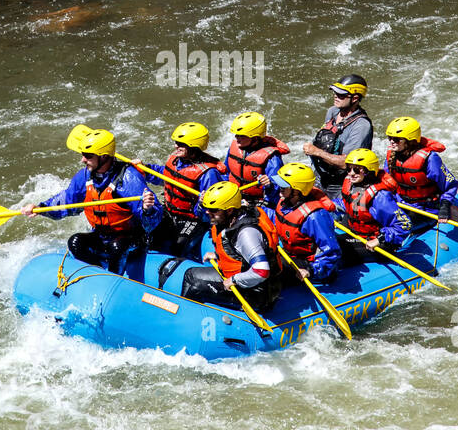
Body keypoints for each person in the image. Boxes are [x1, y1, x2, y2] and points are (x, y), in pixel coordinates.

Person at [22, 127, 162, 274]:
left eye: (88, 155)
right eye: (83, 154)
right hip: (102, 236)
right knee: (75, 242)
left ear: (104, 157)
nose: (83, 159)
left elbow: (152, 223)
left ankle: (114, 280)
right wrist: (40, 208)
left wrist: (148, 210)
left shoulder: (128, 178)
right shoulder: (84, 177)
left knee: (117, 246)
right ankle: (98, 273)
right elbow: (67, 202)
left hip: (132, 239)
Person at [180, 181, 282, 312]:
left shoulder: (246, 234)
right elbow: (238, 253)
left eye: (213, 210)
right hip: (247, 281)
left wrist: (234, 280)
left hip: (256, 293)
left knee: (195, 284)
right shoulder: (234, 218)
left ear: (229, 210)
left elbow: (261, 271)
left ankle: (187, 319)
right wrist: (218, 256)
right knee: (191, 274)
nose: (208, 213)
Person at [143, 121, 227, 258]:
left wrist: (201, 204)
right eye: (176, 142)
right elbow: (164, 175)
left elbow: (210, 213)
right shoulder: (176, 160)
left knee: (178, 246)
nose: (176, 146)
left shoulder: (208, 174)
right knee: (149, 235)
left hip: (193, 219)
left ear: (194, 147)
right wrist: (144, 170)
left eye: (181, 144)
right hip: (170, 211)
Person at [268, 161, 341, 286]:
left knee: (270, 271)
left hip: (308, 264)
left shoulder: (315, 216)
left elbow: (332, 253)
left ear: (297, 191)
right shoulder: (285, 202)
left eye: (283, 186)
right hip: (291, 255)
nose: (279, 189)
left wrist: (311, 270)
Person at [335, 148, 412, 261]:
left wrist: (379, 239)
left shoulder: (380, 197)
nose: (351, 173)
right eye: (349, 168)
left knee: (337, 250)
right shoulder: (351, 184)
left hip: (375, 240)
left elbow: (405, 224)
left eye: (356, 169)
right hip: (356, 231)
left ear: (369, 171)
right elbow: (349, 202)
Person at [302, 74, 373, 192]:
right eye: (335, 93)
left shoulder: (362, 126)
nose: (335, 96)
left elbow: (347, 163)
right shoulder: (332, 111)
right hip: (320, 177)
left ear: (355, 98)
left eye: (341, 95)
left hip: (340, 184)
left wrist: (316, 152)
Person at [383, 118, 458, 224]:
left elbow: (450, 185)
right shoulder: (392, 155)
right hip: (401, 203)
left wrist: (445, 206)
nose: (391, 142)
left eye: (396, 139)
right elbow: (386, 182)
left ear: (410, 140)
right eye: (390, 138)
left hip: (426, 207)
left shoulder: (430, 159)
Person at [224, 111, 290, 203]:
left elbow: (278, 190)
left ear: (255, 138)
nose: (237, 137)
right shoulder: (235, 147)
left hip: (258, 202)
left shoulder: (272, 157)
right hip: (234, 197)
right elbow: (225, 173)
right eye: (236, 135)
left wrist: (268, 184)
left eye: (242, 136)